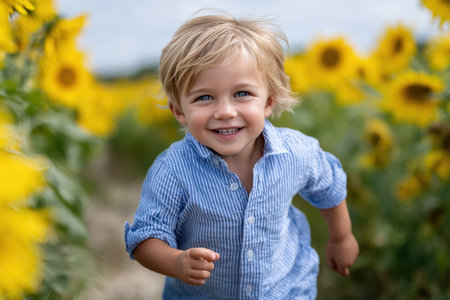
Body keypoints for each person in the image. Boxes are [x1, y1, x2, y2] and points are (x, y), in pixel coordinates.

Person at [124, 13, 359, 299]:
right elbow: (145, 237)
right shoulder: (173, 171)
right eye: (204, 98)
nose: (225, 111)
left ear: (268, 101)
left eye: (242, 93)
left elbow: (329, 186)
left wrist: (341, 238)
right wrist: (176, 262)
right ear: (179, 111)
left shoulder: (296, 152)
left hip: (285, 289)